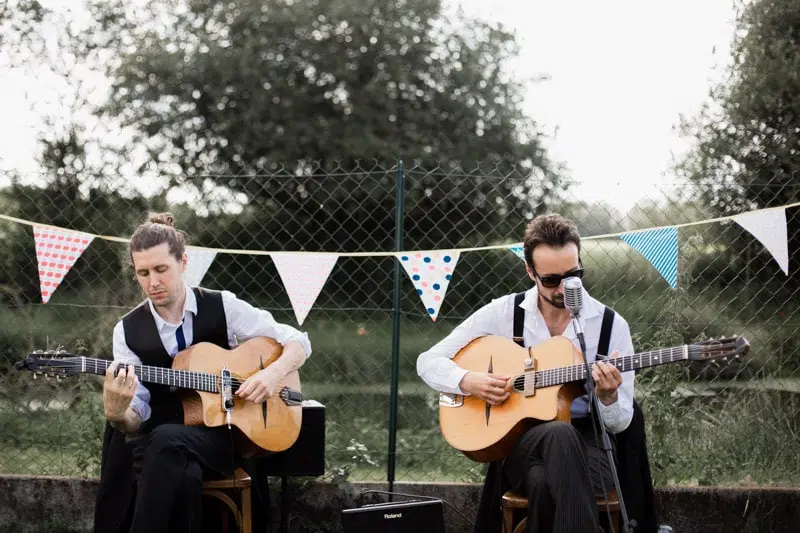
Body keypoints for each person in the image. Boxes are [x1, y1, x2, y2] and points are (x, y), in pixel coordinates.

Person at [417, 214, 636, 533]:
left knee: (543, 479)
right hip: (522, 443)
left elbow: (619, 422)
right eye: (551, 279)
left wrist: (608, 396)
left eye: (574, 275)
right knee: (558, 435)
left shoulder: (610, 326)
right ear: (530, 272)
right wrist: (469, 381)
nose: (564, 287)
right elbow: (428, 360)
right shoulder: (504, 312)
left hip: (590, 446)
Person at [98, 212, 311, 533]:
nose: (152, 282)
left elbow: (298, 341)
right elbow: (136, 416)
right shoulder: (126, 331)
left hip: (222, 435)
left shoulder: (222, 305)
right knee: (183, 477)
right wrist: (118, 416)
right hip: (159, 442)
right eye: (142, 273)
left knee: (165, 439)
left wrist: (270, 375)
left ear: (183, 262)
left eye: (161, 269)